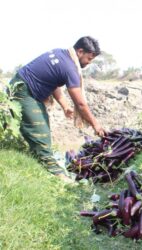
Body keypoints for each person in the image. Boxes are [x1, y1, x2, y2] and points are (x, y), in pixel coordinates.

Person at [9, 36, 105, 183]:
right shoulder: (70, 67)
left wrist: (65, 106)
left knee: (43, 129)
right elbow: (80, 104)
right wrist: (95, 124)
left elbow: (53, 81)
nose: (89, 63)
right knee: (40, 134)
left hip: (26, 89)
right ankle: (59, 177)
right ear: (80, 51)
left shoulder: (61, 54)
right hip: (23, 92)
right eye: (89, 58)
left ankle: (38, 159)